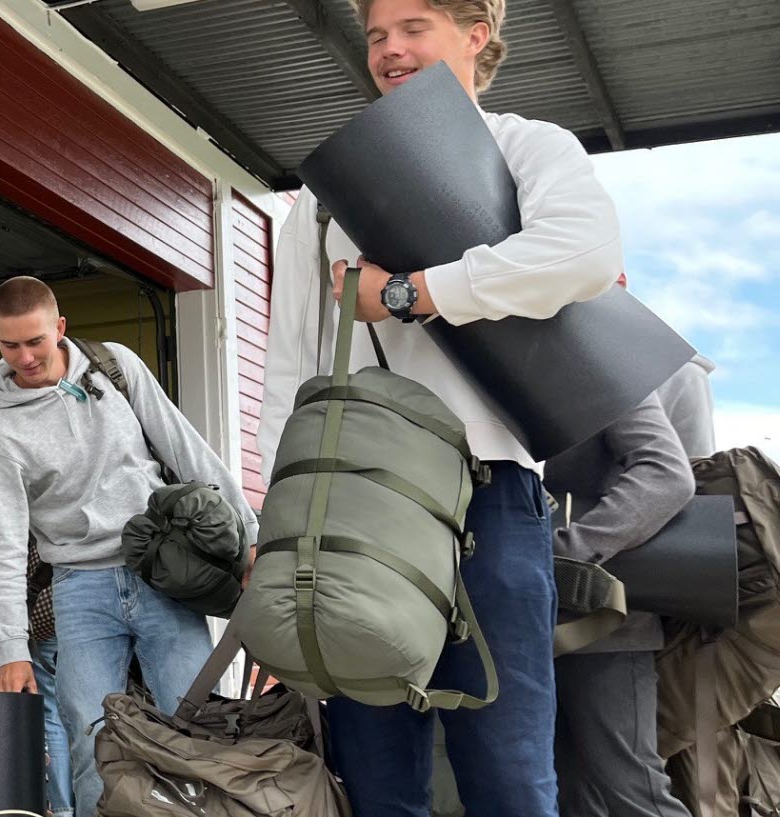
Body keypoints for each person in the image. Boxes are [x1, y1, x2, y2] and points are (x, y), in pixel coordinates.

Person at [258, 0, 625, 813]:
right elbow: (288, 365)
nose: (388, 50)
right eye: (377, 36)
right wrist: (275, 522)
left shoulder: (526, 146)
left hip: (489, 498)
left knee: (510, 772)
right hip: (352, 506)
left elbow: (586, 250)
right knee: (378, 777)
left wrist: (410, 291)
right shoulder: (322, 197)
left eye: (412, 27)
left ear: (475, 33)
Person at [0, 276, 258, 817]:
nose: (25, 357)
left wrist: (247, 540)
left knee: (193, 727)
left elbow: (186, 447)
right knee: (91, 742)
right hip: (78, 591)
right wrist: (10, 647)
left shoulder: (114, 367)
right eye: (10, 345)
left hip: (161, 573)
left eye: (35, 340)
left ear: (59, 328)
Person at [548, 394, 695, 817]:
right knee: (571, 795)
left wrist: (566, 551)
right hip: (530, 618)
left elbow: (668, 475)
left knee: (630, 790)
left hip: (608, 624)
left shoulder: (606, 373)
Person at [27, 548, 74, 817]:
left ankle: (62, 809)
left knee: (53, 716)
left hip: (48, 618)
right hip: (95, 615)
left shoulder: (40, 516)